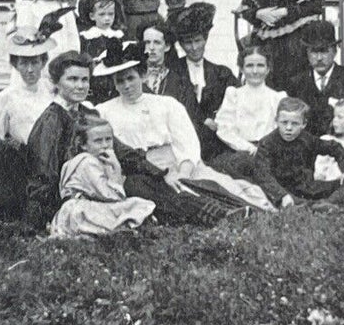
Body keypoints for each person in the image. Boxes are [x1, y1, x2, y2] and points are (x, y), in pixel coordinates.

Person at [24, 50, 210, 231]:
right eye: (72, 79)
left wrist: (161, 174)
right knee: (136, 188)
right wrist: (43, 221)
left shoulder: (88, 114)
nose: (80, 86)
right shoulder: (52, 120)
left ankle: (209, 211)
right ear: (56, 83)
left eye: (84, 79)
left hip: (101, 190)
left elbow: (124, 152)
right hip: (72, 201)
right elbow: (43, 175)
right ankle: (203, 213)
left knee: (142, 182)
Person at [98, 43, 273, 212]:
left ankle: (244, 208)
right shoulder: (103, 111)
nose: (127, 86)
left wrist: (183, 172)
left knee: (212, 187)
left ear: (143, 75)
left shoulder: (166, 104)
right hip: (137, 170)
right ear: (114, 84)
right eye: (120, 81)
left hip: (174, 162)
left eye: (131, 78)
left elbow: (187, 142)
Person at [48, 116, 157, 238]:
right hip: (81, 211)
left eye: (108, 139)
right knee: (137, 205)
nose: (105, 145)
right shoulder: (87, 163)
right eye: (98, 141)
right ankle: (119, 230)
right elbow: (113, 196)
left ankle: (123, 228)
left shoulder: (99, 160)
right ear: (83, 145)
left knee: (137, 204)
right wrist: (116, 167)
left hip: (92, 206)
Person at [161, 1, 237, 162]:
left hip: (217, 141)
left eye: (198, 40)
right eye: (188, 42)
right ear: (181, 44)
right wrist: (202, 120)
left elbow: (237, 103)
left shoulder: (222, 73)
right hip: (183, 138)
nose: (194, 47)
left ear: (205, 40)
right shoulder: (173, 71)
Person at [250, 96, 344, 207]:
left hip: (308, 187)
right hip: (284, 191)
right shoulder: (267, 143)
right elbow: (263, 175)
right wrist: (282, 195)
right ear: (276, 121)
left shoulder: (307, 139)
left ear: (303, 124)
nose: (288, 128)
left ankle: (326, 204)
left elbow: (334, 147)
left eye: (295, 123)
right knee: (270, 194)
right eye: (284, 122)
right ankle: (317, 205)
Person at [208, 44, 283, 186]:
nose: (255, 71)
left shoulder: (276, 97)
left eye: (260, 65)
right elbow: (225, 129)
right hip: (239, 151)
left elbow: (279, 129)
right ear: (241, 69)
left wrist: (264, 149)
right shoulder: (234, 94)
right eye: (249, 66)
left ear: (268, 69)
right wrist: (248, 148)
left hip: (268, 152)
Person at [0, 28, 55, 144]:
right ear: (15, 65)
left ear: (43, 62)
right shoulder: (4, 98)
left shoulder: (52, 92)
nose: (30, 69)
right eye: (23, 63)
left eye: (35, 62)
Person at [76, 0, 127, 104]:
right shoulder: (87, 37)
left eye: (111, 14)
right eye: (102, 14)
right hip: (96, 79)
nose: (107, 18)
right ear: (92, 16)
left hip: (115, 77)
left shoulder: (118, 35)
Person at [140, 24, 172, 94]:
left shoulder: (177, 79)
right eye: (147, 42)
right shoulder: (135, 76)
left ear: (167, 46)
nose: (151, 47)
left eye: (157, 42)